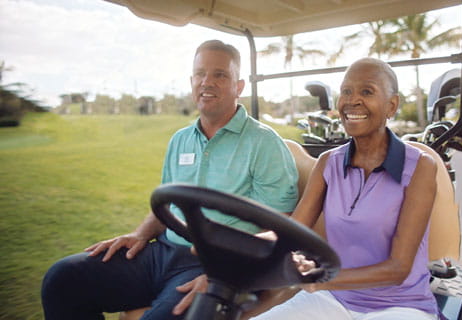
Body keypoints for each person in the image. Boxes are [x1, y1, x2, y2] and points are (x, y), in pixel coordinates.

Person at [41, 40, 299, 320]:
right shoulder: (181, 140)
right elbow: (168, 205)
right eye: (200, 74)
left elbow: (279, 229)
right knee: (62, 280)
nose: (206, 82)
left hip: (216, 265)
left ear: (238, 86)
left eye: (220, 75)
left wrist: (226, 274)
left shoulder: (264, 143)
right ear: (191, 82)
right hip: (161, 253)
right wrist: (140, 234)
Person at [251, 58, 439, 320]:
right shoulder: (329, 163)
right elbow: (293, 232)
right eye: (346, 91)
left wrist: (321, 278)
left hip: (400, 305)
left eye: (367, 91)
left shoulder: (420, 166)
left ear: (392, 105)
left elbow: (398, 268)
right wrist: (230, 241)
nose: (352, 100)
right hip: (335, 298)